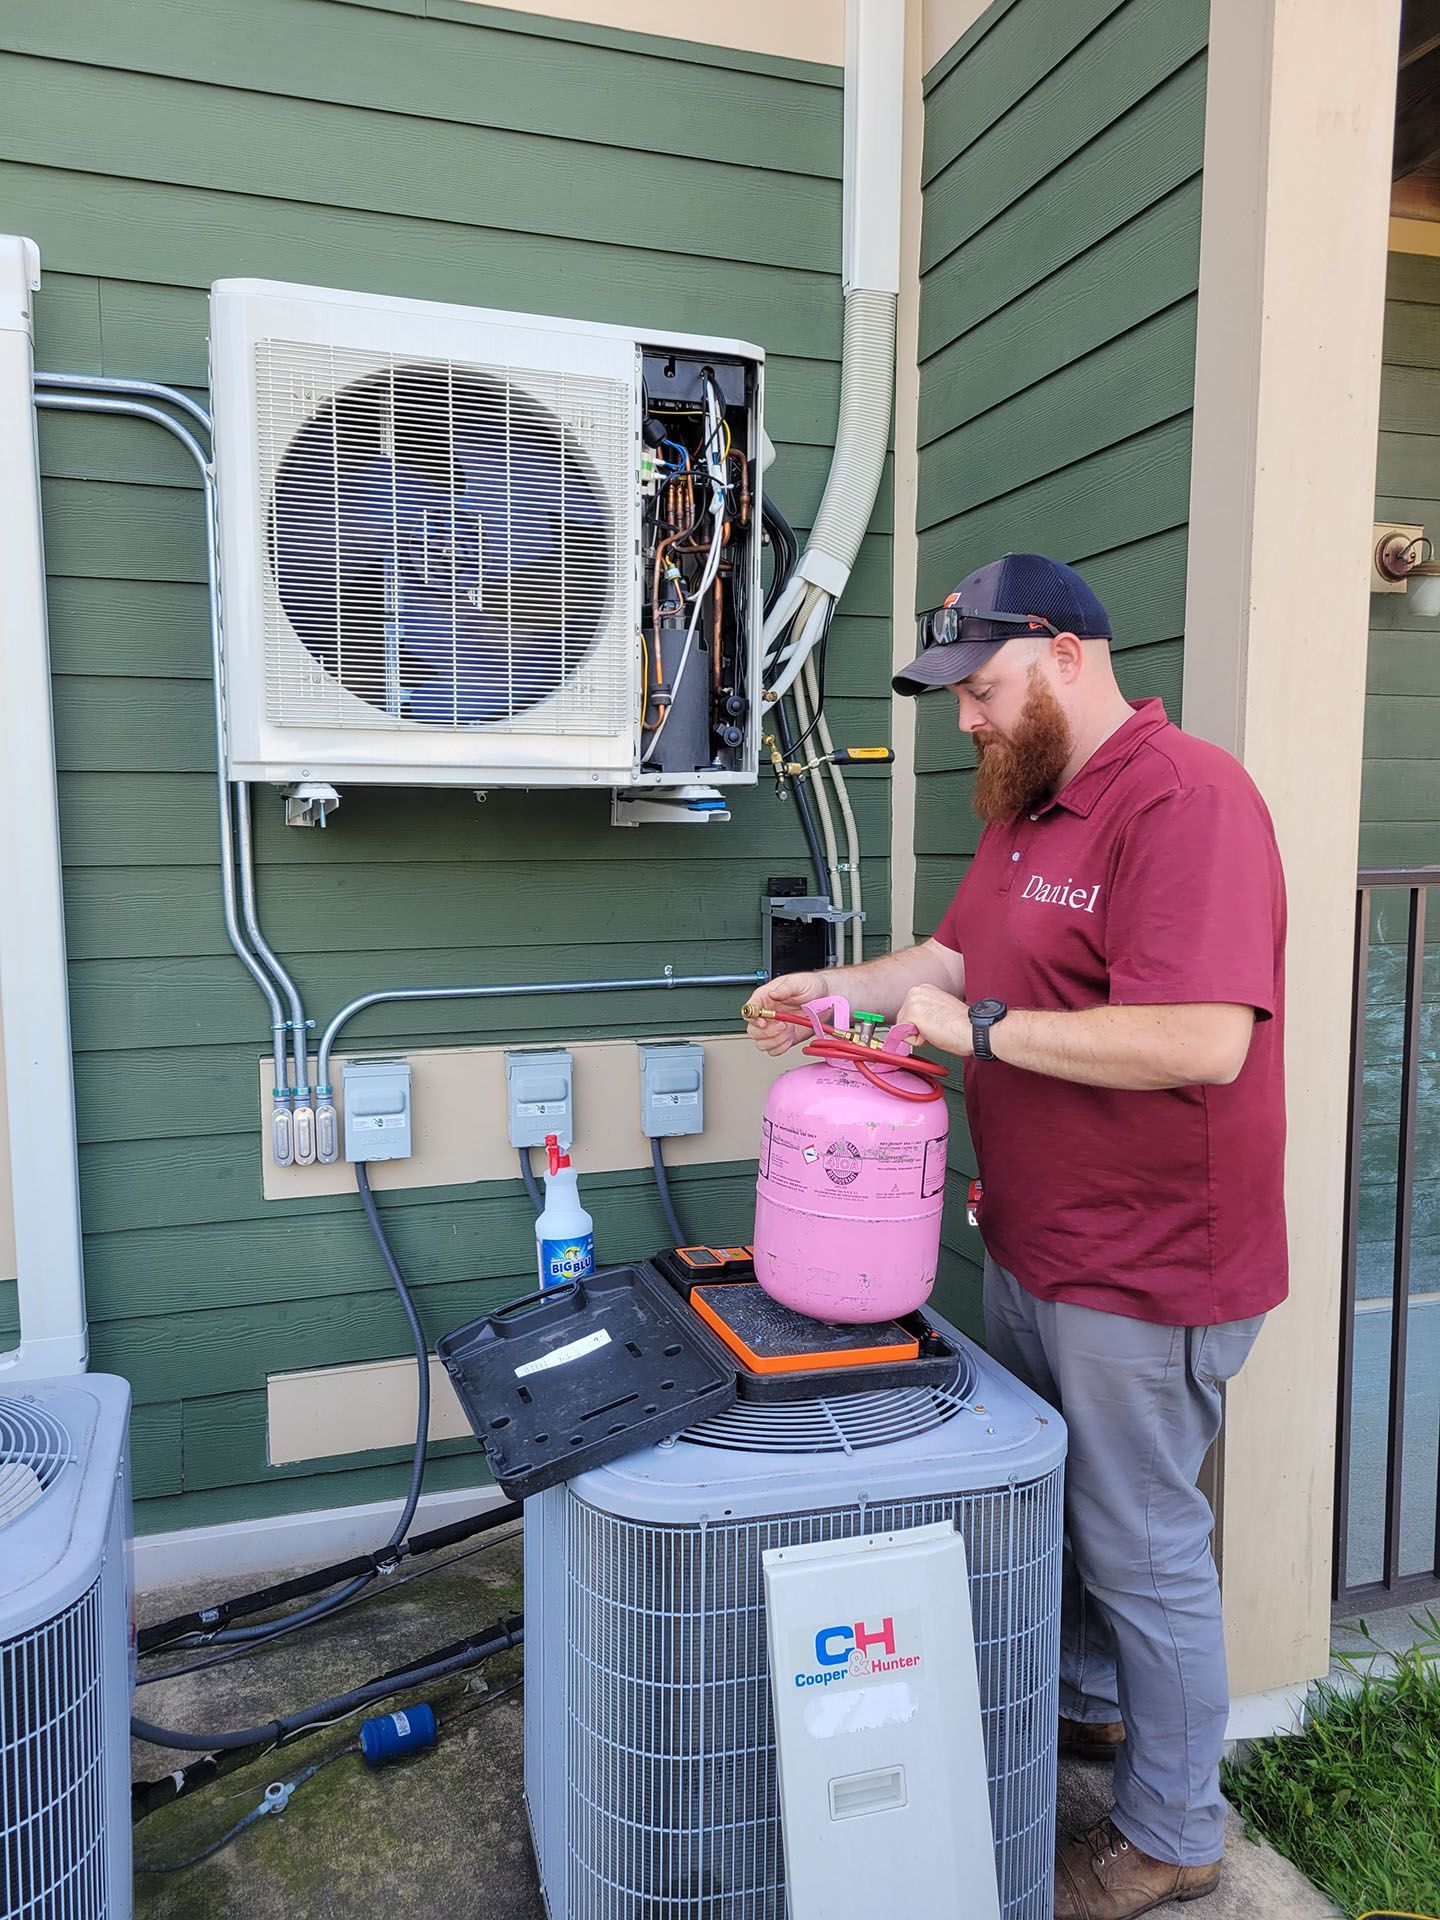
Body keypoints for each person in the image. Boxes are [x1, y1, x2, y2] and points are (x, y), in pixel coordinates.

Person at [745, 553, 1287, 1920]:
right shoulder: (1029, 808)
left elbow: (1200, 1039)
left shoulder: (1188, 800)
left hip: (1151, 1263)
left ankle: (1173, 1833)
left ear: (1061, 653)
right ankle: (1101, 1715)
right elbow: (947, 967)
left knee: (1143, 1548)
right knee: (1069, 1520)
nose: (968, 720)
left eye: (979, 689)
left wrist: (971, 1031)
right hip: (1035, 1240)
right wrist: (841, 992)